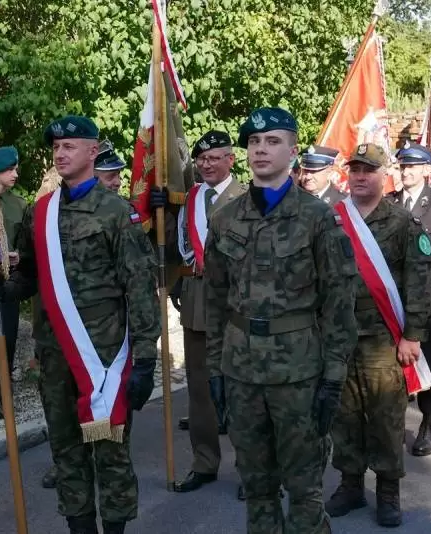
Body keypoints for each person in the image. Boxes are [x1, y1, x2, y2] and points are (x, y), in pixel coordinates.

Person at [0, 115, 161, 534]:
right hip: (55, 357)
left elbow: (140, 288)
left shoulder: (116, 212)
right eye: (56, 147)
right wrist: (3, 289)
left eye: (69, 146)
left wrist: (145, 360)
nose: (60, 153)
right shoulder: (40, 213)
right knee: (66, 453)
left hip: (104, 358)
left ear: (92, 151)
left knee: (111, 455)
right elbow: (30, 275)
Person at [204, 107, 357, 534]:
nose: (261, 149)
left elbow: (339, 302)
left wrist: (334, 376)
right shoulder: (225, 219)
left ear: (292, 151)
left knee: (304, 488)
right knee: (257, 486)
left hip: (299, 373)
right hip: (241, 371)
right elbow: (214, 300)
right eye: (254, 142)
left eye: (272, 141)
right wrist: (214, 368)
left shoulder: (317, 217)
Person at [326, 143, 431, 527]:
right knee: (345, 416)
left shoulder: (403, 223)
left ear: (383, 174)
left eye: (368, 170)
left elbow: (421, 283)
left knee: (386, 419)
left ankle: (388, 491)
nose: (359, 176)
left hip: (383, 340)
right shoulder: (332, 219)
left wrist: (413, 335)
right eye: (354, 169)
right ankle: (351, 484)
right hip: (339, 339)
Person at [172, 130, 247, 496]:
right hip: (198, 301)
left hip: (236, 303)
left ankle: (251, 468)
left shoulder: (247, 197)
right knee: (200, 388)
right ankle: (204, 462)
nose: (206, 164)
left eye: (214, 157)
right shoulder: (192, 197)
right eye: (201, 159)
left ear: (230, 160)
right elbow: (180, 245)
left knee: (242, 389)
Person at [387, 142, 431, 457]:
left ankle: (428, 422)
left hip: (429, 300)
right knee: (394, 364)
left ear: (428, 170)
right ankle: (393, 424)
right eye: (403, 166)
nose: (406, 172)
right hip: (394, 298)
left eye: (413, 166)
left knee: (429, 361)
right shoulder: (389, 202)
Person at [0, 145, 27, 419]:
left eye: (16, 169)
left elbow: (27, 243)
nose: (15, 174)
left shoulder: (19, 206)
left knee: (8, 338)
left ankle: (3, 394)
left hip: (6, 281)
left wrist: (19, 256)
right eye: (10, 169)